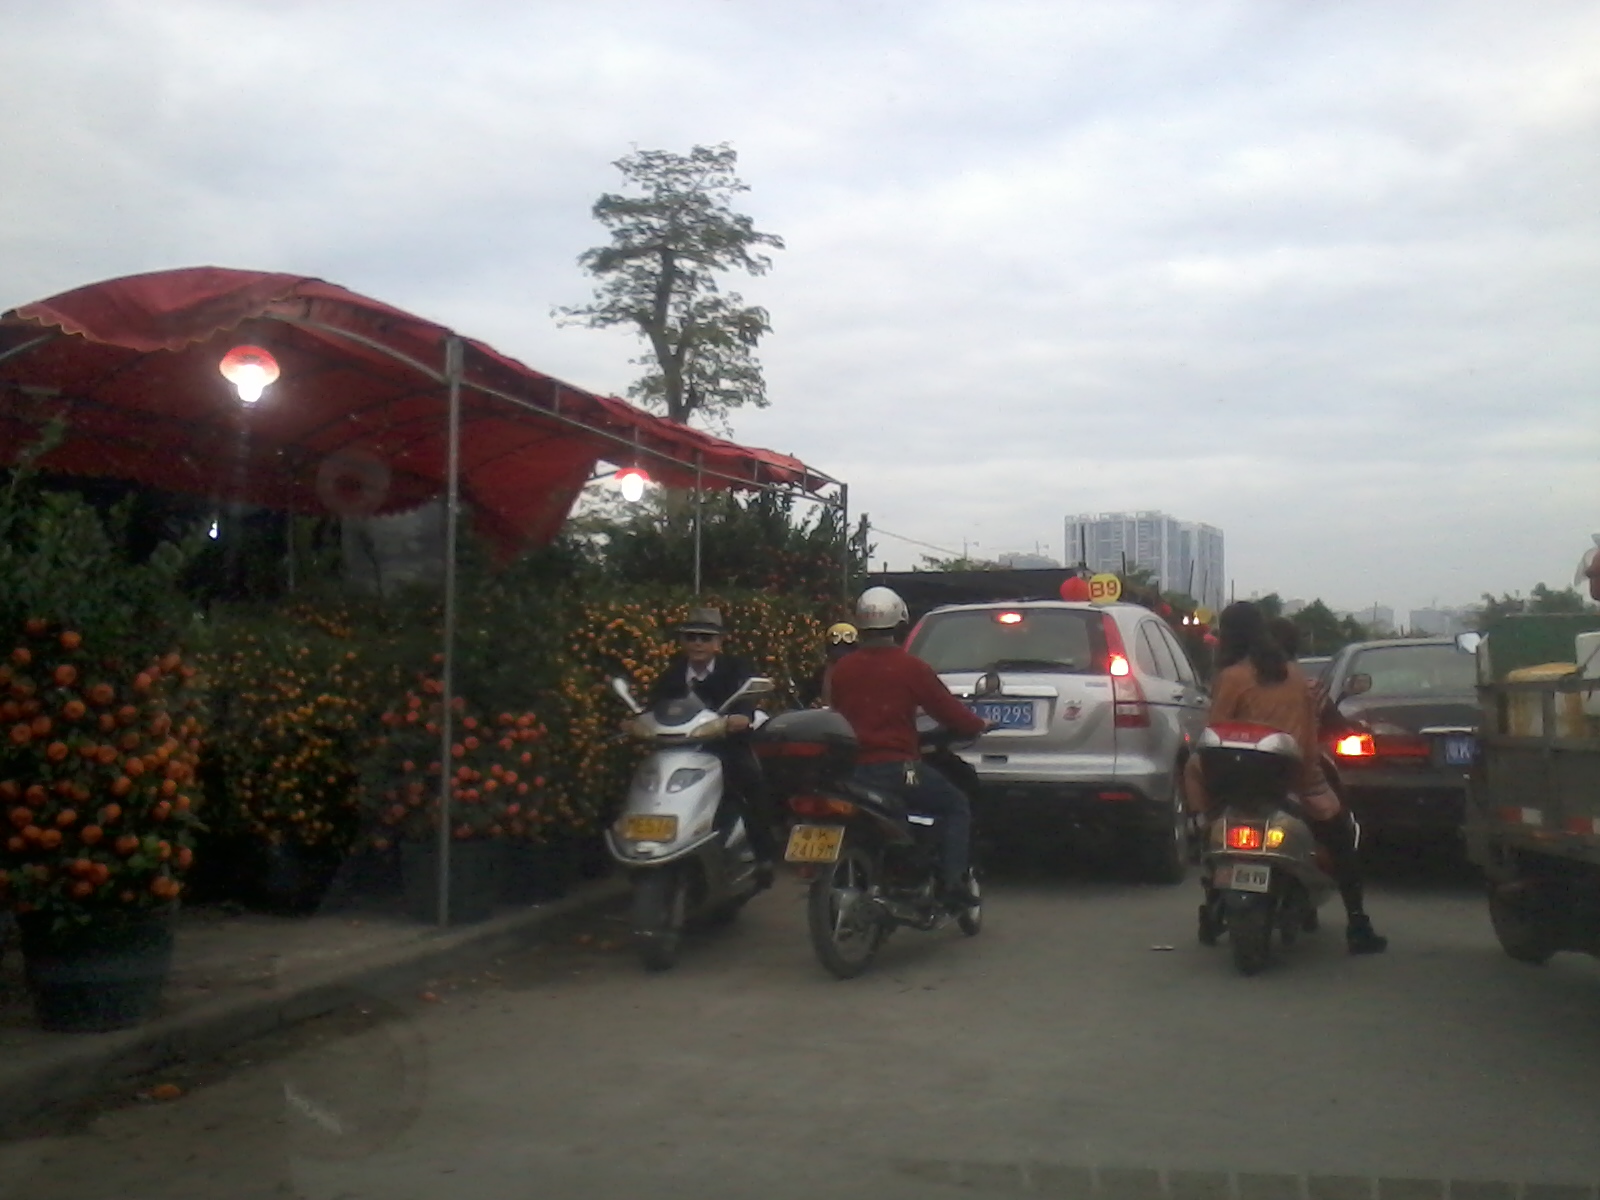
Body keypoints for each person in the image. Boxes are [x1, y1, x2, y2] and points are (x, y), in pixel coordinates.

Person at [1186, 602, 1388, 955]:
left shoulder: (1231, 678)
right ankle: (1357, 922)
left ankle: (1202, 831)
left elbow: (1215, 733)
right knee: (1340, 838)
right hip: (1293, 778)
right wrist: (1308, 776)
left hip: (1235, 780)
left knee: (1192, 769)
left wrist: (1208, 803)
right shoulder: (1294, 675)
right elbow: (1308, 737)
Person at [827, 586, 989, 908]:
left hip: (851, 772)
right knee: (956, 805)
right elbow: (949, 711)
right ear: (900, 622)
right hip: (900, 770)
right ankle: (953, 884)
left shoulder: (842, 669)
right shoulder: (911, 667)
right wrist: (978, 724)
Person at [647, 607, 779, 886]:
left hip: (724, 746)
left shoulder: (735, 668)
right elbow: (653, 704)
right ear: (682, 641)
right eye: (691, 637)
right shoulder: (672, 673)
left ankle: (764, 855)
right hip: (679, 749)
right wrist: (637, 720)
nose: (698, 643)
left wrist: (742, 716)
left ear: (718, 642)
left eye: (705, 638)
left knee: (750, 782)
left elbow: (747, 698)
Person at [801, 622, 859, 707]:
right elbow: (807, 699)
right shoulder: (820, 675)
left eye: (846, 650)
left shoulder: (864, 673)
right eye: (837, 650)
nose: (841, 656)